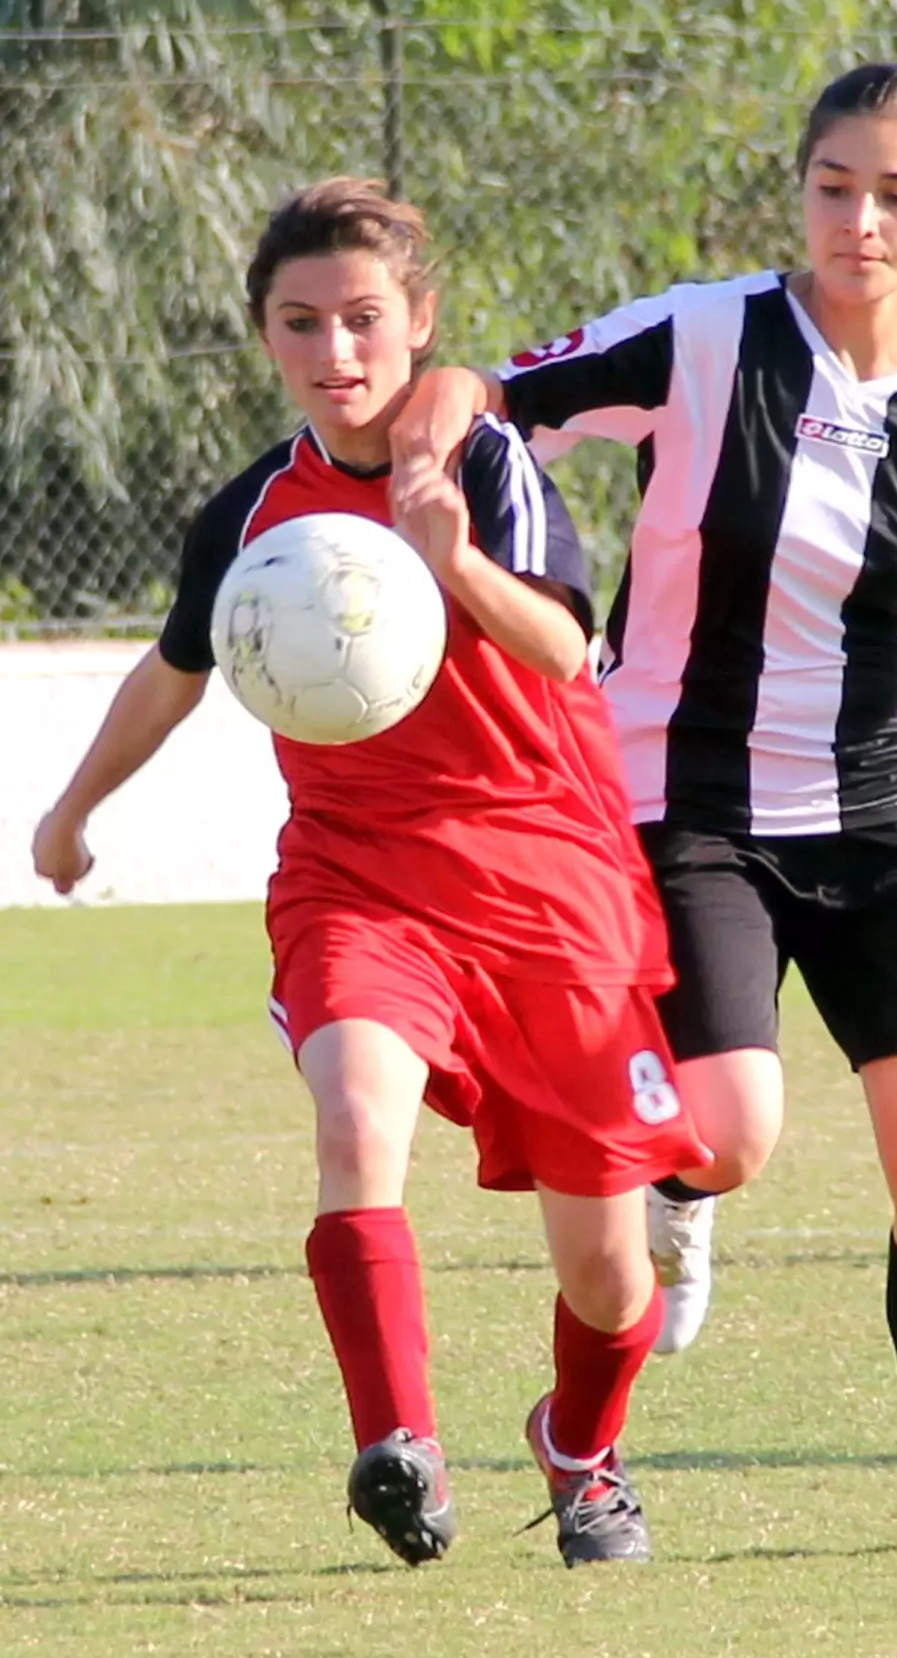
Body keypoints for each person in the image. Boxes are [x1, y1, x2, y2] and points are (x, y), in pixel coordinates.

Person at [389, 64, 897, 1557]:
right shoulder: (712, 333)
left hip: (885, 822)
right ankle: (679, 1181)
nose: (859, 220)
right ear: (801, 194)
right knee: (731, 1129)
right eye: (834, 188)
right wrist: (430, 437)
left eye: (895, 194)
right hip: (681, 805)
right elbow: (491, 388)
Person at [31, 176, 715, 1571]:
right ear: (264, 336)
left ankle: (582, 1449)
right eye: (300, 324)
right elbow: (176, 676)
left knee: (606, 1267)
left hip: (549, 882)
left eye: (361, 319)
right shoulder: (252, 518)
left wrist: (451, 559)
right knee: (354, 1114)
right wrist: (71, 806)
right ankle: (399, 1442)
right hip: (358, 877)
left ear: (418, 321)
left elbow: (563, 650)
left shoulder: (483, 465)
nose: (335, 352)